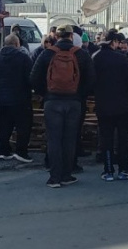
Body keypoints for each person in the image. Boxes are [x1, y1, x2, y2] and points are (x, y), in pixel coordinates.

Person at [31, 25, 95, 188]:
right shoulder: (81, 54)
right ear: (71, 36)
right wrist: (80, 95)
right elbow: (91, 79)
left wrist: (45, 94)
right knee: (69, 139)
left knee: (54, 139)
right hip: (74, 102)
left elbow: (34, 77)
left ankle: (54, 177)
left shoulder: (47, 53)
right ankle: (67, 175)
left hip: (52, 102)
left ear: (56, 36)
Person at [92, 30, 128, 181]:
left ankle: (108, 170)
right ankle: (124, 169)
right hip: (122, 106)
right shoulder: (122, 59)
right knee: (123, 138)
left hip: (103, 105)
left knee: (106, 138)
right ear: (113, 42)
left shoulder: (94, 58)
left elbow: (90, 82)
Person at [0, 34, 34, 162]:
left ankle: (3, 151)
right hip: (21, 98)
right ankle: (21, 152)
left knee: (3, 126)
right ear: (17, 44)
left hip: (1, 99)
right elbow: (30, 78)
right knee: (23, 126)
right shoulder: (24, 58)